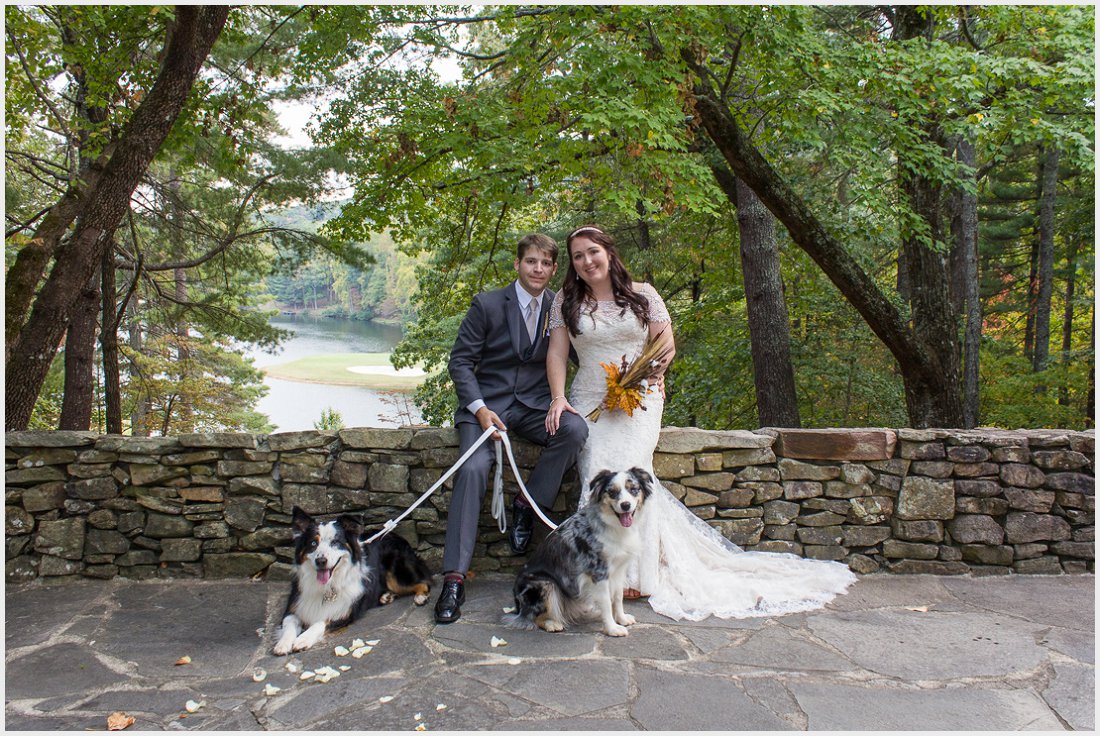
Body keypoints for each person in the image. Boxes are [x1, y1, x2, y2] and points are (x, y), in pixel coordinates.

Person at [545, 225, 856, 621]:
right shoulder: (566, 301)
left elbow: (665, 345)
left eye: (593, 252)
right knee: (596, 470)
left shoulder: (644, 295)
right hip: (589, 400)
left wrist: (648, 374)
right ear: (572, 264)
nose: (587, 261)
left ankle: (641, 576)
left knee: (632, 471)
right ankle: (602, 573)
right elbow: (556, 355)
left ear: (608, 252)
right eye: (578, 256)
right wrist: (558, 399)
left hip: (639, 400)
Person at [435, 233, 589, 624]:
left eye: (546, 263)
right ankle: (454, 578)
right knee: (471, 470)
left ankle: (527, 504)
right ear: (518, 264)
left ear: (554, 269)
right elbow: (460, 363)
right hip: (486, 408)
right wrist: (480, 409)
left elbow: (585, 350)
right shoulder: (486, 305)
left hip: (536, 406)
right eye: (531, 261)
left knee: (574, 430)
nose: (538, 269)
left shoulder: (561, 306)